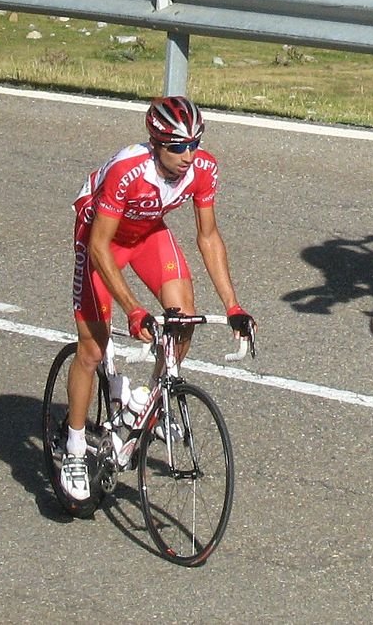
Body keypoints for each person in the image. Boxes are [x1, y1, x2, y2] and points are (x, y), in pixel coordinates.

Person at [62, 95, 253, 501]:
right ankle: (76, 449)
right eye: (177, 147)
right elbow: (99, 246)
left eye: (194, 144)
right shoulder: (128, 171)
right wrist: (133, 309)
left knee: (183, 319)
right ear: (156, 143)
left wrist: (233, 306)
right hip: (101, 239)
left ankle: (151, 402)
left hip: (147, 232)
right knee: (92, 350)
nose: (188, 155)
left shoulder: (203, 169)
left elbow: (208, 236)